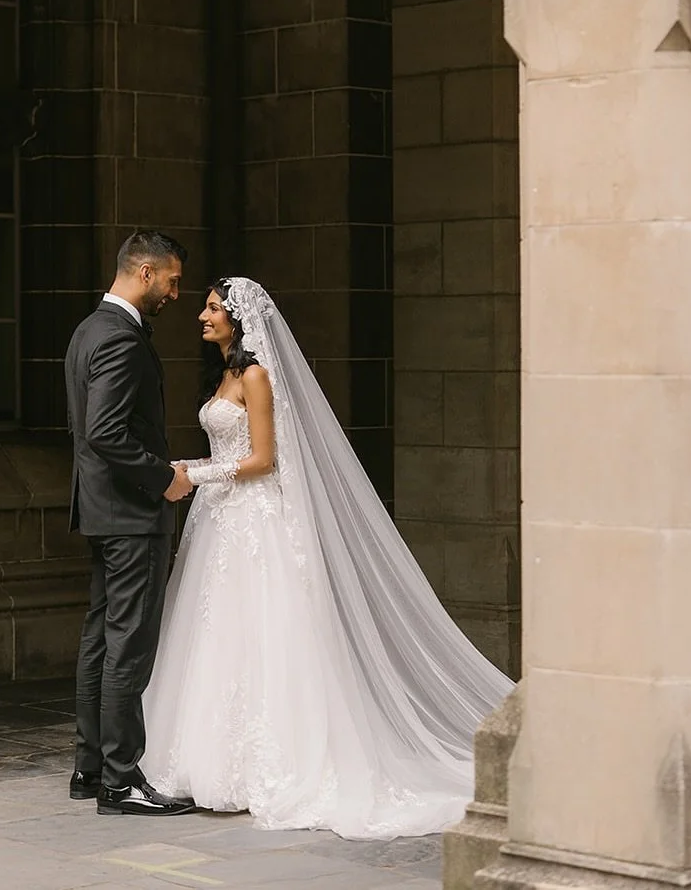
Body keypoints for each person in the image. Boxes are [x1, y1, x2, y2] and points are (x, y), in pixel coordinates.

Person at [142, 276, 514, 839]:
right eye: (205, 308)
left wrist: (195, 473)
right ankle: (209, 761)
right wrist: (199, 469)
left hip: (251, 517)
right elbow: (234, 447)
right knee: (216, 634)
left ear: (238, 319)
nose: (202, 316)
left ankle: (262, 767)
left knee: (260, 634)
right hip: (221, 518)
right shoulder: (224, 374)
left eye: (214, 308)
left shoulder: (256, 375)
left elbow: (264, 459)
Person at [64, 230, 197, 816]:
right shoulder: (120, 339)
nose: (175, 294)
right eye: (171, 281)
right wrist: (162, 478)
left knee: (100, 639)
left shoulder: (88, 330)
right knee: (129, 645)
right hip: (131, 514)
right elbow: (106, 432)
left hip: (100, 509)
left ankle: (89, 768)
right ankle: (120, 779)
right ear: (144, 272)